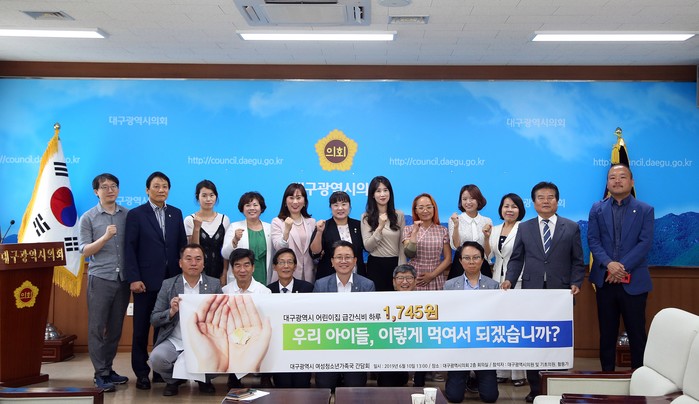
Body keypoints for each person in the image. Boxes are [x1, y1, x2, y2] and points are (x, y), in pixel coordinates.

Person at [502, 181, 585, 403]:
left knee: (557, 340)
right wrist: (509, 279)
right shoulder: (524, 227)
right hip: (532, 292)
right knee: (534, 340)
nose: (546, 201)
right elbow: (517, 258)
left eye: (550, 197)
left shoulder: (571, 227)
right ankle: (535, 389)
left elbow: (578, 261)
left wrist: (576, 282)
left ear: (557, 201)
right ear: (534, 202)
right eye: (541, 197)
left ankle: (556, 386)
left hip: (561, 294)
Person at [124, 171, 187, 390]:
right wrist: (134, 278)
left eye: (165, 186)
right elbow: (129, 248)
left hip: (170, 282)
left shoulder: (176, 213)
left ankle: (160, 371)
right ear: (147, 189)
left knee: (165, 328)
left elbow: (181, 246)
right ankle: (142, 373)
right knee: (141, 329)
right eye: (157, 186)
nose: (161, 190)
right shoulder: (136, 214)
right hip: (145, 283)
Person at [588, 164, 654, 371]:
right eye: (612, 177)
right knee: (607, 332)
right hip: (605, 280)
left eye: (622, 177)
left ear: (631, 182)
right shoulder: (597, 208)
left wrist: (621, 268)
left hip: (634, 281)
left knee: (636, 332)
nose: (617, 181)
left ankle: (639, 375)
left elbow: (645, 243)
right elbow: (593, 240)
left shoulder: (645, 209)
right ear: (607, 183)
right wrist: (609, 264)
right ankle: (607, 375)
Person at [78, 173, 130, 392]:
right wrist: (105, 238)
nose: (110, 190)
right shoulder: (88, 218)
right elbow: (84, 250)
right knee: (97, 328)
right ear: (96, 192)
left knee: (116, 329)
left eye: (114, 186)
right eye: (105, 187)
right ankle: (99, 374)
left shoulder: (127, 215)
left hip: (123, 279)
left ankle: (108, 369)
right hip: (100, 278)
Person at [149, 244, 223, 396]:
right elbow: (154, 319)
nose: (193, 263)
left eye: (198, 259)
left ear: (204, 263)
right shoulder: (168, 285)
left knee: (222, 357)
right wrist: (171, 312)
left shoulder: (214, 284)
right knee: (157, 358)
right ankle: (173, 380)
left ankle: (204, 380)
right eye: (188, 259)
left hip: (205, 340)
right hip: (175, 340)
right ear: (180, 263)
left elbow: (222, 317)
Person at [313, 240, 375, 391]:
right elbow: (315, 318)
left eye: (348, 257)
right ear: (332, 261)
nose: (343, 261)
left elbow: (371, 319)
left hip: (356, 348)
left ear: (355, 260)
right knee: (324, 387)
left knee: (355, 389)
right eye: (339, 257)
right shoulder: (321, 285)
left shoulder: (367, 285)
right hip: (328, 347)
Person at [443, 241, 500, 403]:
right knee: (454, 397)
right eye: (467, 258)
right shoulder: (450, 285)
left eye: (476, 257)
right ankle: (465, 378)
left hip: (484, 343)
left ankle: (476, 378)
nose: (471, 262)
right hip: (459, 342)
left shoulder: (493, 286)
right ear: (460, 261)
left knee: (490, 397)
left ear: (482, 260)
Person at [486, 193, 527, 387]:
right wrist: (486, 238)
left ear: (520, 210)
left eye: (514, 206)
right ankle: (501, 371)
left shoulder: (525, 228)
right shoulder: (494, 229)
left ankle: (519, 373)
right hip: (497, 281)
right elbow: (488, 256)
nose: (509, 210)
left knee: (516, 327)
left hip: (518, 281)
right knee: (500, 327)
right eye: (506, 206)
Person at [222, 248, 271, 388]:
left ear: (253, 267)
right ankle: (233, 377)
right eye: (237, 265)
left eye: (246, 265)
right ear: (232, 269)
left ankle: (266, 376)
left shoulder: (264, 292)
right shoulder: (225, 291)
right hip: (233, 334)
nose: (242, 270)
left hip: (257, 333)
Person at [266, 248, 314, 388]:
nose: (286, 266)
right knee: (283, 386)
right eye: (281, 262)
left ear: (295, 266)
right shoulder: (268, 291)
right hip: (278, 347)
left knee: (302, 386)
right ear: (274, 267)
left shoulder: (307, 288)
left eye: (289, 262)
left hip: (301, 345)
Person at [361, 176, 406, 292]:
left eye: (385, 190)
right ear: (372, 194)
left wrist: (402, 268)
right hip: (375, 264)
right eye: (378, 191)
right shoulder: (366, 217)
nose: (382, 194)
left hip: (395, 263)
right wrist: (380, 227)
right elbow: (368, 246)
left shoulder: (399, 215)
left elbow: (402, 245)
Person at [376, 264, 417, 387]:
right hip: (392, 350)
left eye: (409, 278)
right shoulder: (383, 302)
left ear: (415, 281)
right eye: (400, 278)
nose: (404, 282)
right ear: (394, 282)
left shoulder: (424, 302)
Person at [311, 191, 366, 280]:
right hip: (329, 276)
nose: (340, 208)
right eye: (336, 205)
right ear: (331, 207)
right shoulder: (324, 226)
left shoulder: (359, 225)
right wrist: (319, 232)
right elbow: (315, 252)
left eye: (344, 204)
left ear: (349, 206)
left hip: (357, 276)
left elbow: (367, 247)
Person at [402, 193, 452, 291]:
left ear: (434, 209)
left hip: (436, 274)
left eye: (429, 207)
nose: (425, 210)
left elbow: (448, 259)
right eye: (421, 208)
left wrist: (432, 275)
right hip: (415, 275)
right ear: (416, 210)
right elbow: (409, 254)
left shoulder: (443, 230)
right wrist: (414, 232)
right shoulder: (408, 229)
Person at [222, 191, 273, 286]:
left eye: (255, 205)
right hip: (240, 278)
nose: (252, 208)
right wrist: (235, 240)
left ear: (261, 208)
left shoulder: (270, 228)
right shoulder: (234, 227)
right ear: (242, 208)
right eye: (248, 205)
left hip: (264, 276)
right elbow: (225, 254)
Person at [184, 180, 229, 281]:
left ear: (216, 197)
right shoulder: (190, 220)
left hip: (219, 272)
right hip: (198, 273)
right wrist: (196, 228)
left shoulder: (224, 219)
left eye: (211, 195)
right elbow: (193, 249)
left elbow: (225, 250)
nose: (208, 199)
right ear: (198, 197)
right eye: (204, 195)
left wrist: (225, 272)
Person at [271, 183, 316, 283]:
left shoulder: (311, 222)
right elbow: (279, 248)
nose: (295, 202)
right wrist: (286, 230)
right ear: (285, 201)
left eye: (298, 198)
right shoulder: (277, 222)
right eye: (291, 198)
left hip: (308, 275)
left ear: (304, 202)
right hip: (286, 275)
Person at [448, 184, 493, 279]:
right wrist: (456, 225)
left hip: (482, 265)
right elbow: (456, 246)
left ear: (478, 200)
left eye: (472, 198)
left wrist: (486, 237)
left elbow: (488, 253)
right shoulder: (455, 219)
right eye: (464, 199)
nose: (468, 202)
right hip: (460, 266)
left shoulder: (487, 221)